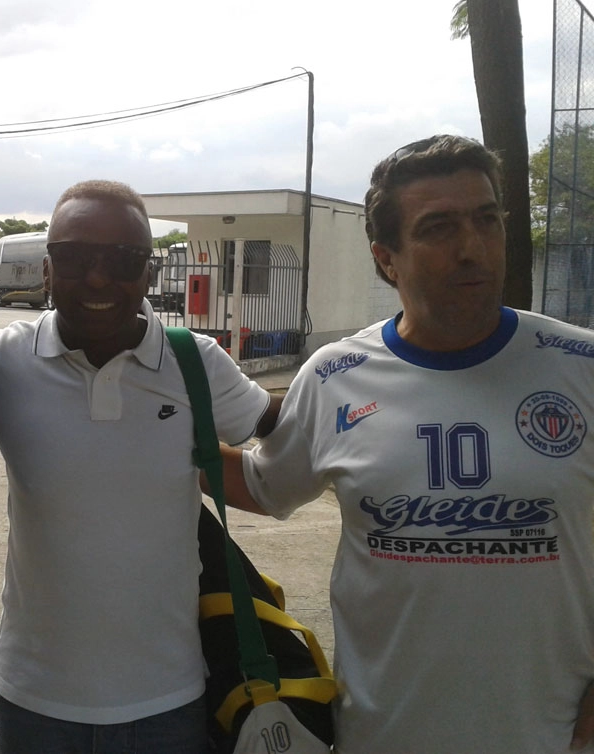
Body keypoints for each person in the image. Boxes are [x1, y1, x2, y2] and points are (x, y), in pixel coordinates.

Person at [219, 135, 594, 754]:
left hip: (552, 733)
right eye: (439, 228)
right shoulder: (336, 376)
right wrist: (162, 437)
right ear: (386, 257)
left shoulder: (578, 364)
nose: (472, 248)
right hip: (387, 731)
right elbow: (264, 486)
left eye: (487, 220)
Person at [0, 179, 281, 753]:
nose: (98, 278)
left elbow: (278, 426)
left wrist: (363, 401)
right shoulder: (7, 363)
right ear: (48, 269)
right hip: (33, 701)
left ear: (148, 271)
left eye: (123, 259)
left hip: (167, 702)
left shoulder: (194, 362)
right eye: (76, 257)